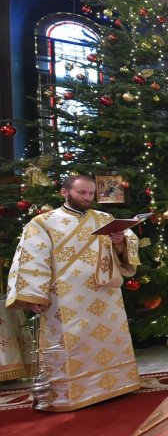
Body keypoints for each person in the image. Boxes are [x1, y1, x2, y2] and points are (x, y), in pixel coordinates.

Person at [5, 175, 141, 411]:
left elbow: (126, 249)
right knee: (72, 345)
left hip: (104, 294)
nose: (88, 198)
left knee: (107, 340)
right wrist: (34, 296)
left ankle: (115, 385)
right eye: (82, 193)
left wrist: (119, 242)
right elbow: (31, 258)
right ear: (65, 192)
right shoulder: (43, 223)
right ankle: (70, 395)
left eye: (91, 194)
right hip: (65, 297)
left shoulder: (104, 218)